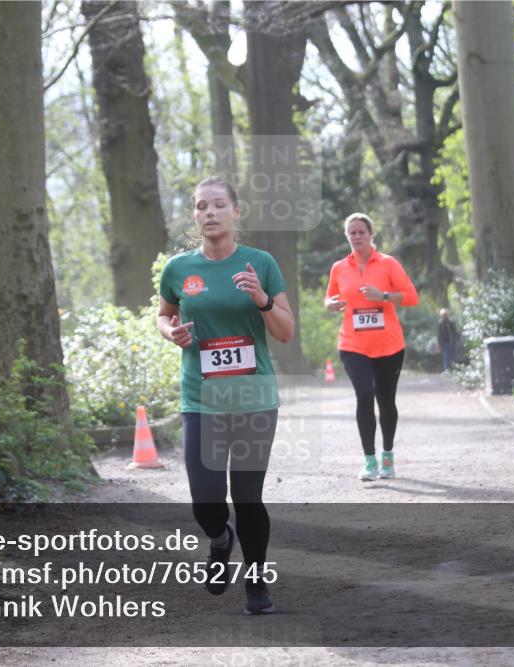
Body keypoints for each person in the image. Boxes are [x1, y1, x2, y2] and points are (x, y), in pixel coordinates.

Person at [157, 175, 294, 615]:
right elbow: (164, 315)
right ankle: (220, 538)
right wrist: (171, 332)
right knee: (206, 497)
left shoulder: (261, 263)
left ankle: (256, 582)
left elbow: (286, 332)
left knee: (248, 496)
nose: (209, 213)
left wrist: (262, 300)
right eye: (201, 206)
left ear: (236, 212)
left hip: (254, 398)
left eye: (218, 205)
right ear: (195, 216)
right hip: (202, 399)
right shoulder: (179, 269)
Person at [323, 213, 418, 481]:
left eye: (361, 232)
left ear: (371, 234)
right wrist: (331, 305)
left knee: (386, 401)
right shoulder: (339, 267)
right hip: (353, 344)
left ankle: (387, 455)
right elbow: (329, 297)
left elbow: (411, 297)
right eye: (351, 232)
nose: (356, 236)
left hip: (389, 345)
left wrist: (384, 296)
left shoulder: (388, 264)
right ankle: (369, 460)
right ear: (346, 236)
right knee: (364, 395)